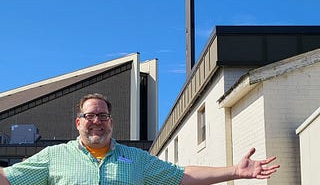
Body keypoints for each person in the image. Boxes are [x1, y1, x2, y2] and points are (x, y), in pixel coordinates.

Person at [0, 93, 280, 185]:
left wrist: (234, 171)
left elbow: (182, 176)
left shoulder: (136, 159)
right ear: (78, 123)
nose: (96, 121)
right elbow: (8, 178)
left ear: (111, 121)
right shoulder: (53, 157)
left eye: (102, 116)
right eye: (89, 116)